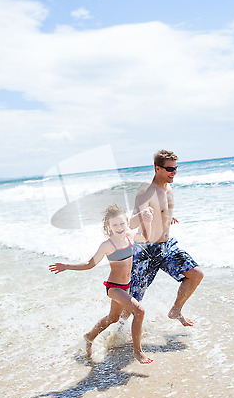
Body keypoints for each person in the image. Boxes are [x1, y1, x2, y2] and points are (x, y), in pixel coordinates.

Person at [49, 203, 153, 364]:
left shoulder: (129, 236)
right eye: (114, 225)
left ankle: (89, 336)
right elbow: (90, 264)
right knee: (139, 311)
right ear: (109, 227)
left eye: (121, 223)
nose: (119, 227)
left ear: (127, 223)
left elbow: (145, 237)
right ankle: (137, 352)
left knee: (112, 318)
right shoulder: (107, 245)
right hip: (114, 287)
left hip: (127, 285)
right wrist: (66, 266)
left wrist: (147, 221)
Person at [124, 149, 204, 326]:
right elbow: (131, 223)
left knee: (196, 274)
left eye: (176, 168)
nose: (174, 172)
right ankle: (118, 330)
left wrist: (166, 218)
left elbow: (161, 211)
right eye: (169, 169)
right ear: (157, 168)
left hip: (166, 247)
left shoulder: (169, 188)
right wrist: (142, 215)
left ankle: (175, 311)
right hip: (146, 250)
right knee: (134, 299)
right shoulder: (146, 190)